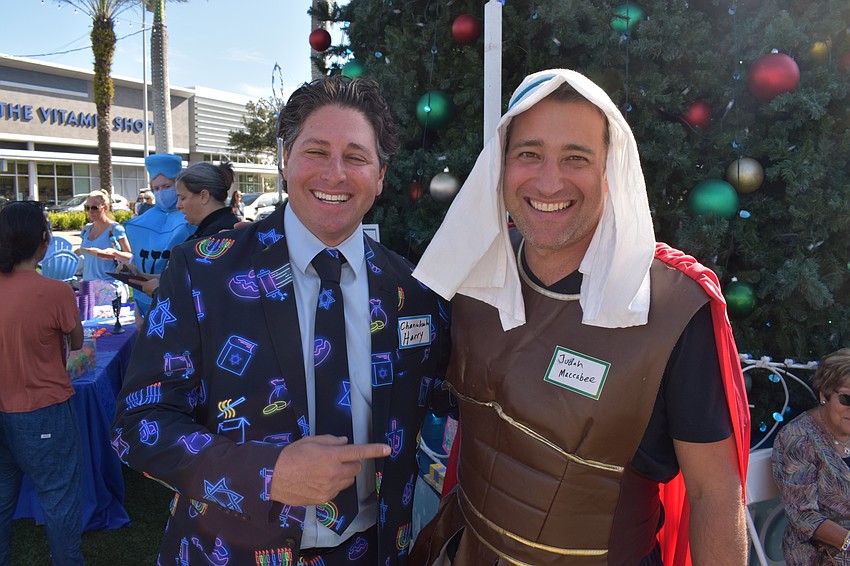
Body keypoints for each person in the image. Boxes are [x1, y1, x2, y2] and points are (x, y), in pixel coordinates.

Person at [410, 69, 751, 565]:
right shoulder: (470, 277)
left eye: (576, 158)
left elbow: (713, 494)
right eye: (529, 153)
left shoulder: (673, 307)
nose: (549, 180)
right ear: (500, 166)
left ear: (610, 172)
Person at [112, 75, 449, 566]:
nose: (335, 174)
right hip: (231, 552)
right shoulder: (203, 271)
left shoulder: (414, 291)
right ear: (285, 159)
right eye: (316, 151)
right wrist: (267, 473)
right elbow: (138, 424)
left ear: (379, 176)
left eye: (356, 156)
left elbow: (467, 396)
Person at [0, 201, 84, 565]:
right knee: (58, 499)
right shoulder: (54, 291)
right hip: (43, 411)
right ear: (42, 241)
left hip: (8, 409)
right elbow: (78, 341)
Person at [772, 349, 850, 565]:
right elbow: (803, 517)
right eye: (846, 398)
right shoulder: (798, 438)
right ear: (823, 395)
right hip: (822, 554)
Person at [122, 154, 194, 318]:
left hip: (179, 303)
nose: (161, 192)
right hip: (145, 303)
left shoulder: (192, 217)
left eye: (166, 186)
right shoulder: (140, 223)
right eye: (156, 189)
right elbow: (138, 260)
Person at [76, 189, 133, 305]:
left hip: (108, 286)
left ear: (105, 208)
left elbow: (129, 256)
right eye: (87, 208)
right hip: (88, 285)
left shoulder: (115, 229)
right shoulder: (87, 229)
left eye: (94, 208)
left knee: (108, 321)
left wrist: (114, 252)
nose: (91, 211)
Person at [175, 162, 240, 240]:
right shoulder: (225, 225)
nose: (178, 205)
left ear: (204, 196)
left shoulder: (215, 236)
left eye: (183, 198)